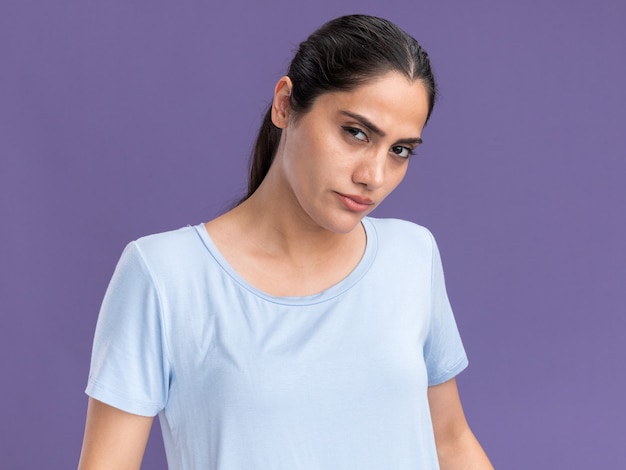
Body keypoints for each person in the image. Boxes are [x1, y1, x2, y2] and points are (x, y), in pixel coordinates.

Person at [78, 14, 493, 470]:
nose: (373, 176)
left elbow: (451, 441)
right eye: (356, 132)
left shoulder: (412, 256)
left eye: (400, 150)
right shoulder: (164, 275)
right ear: (284, 105)